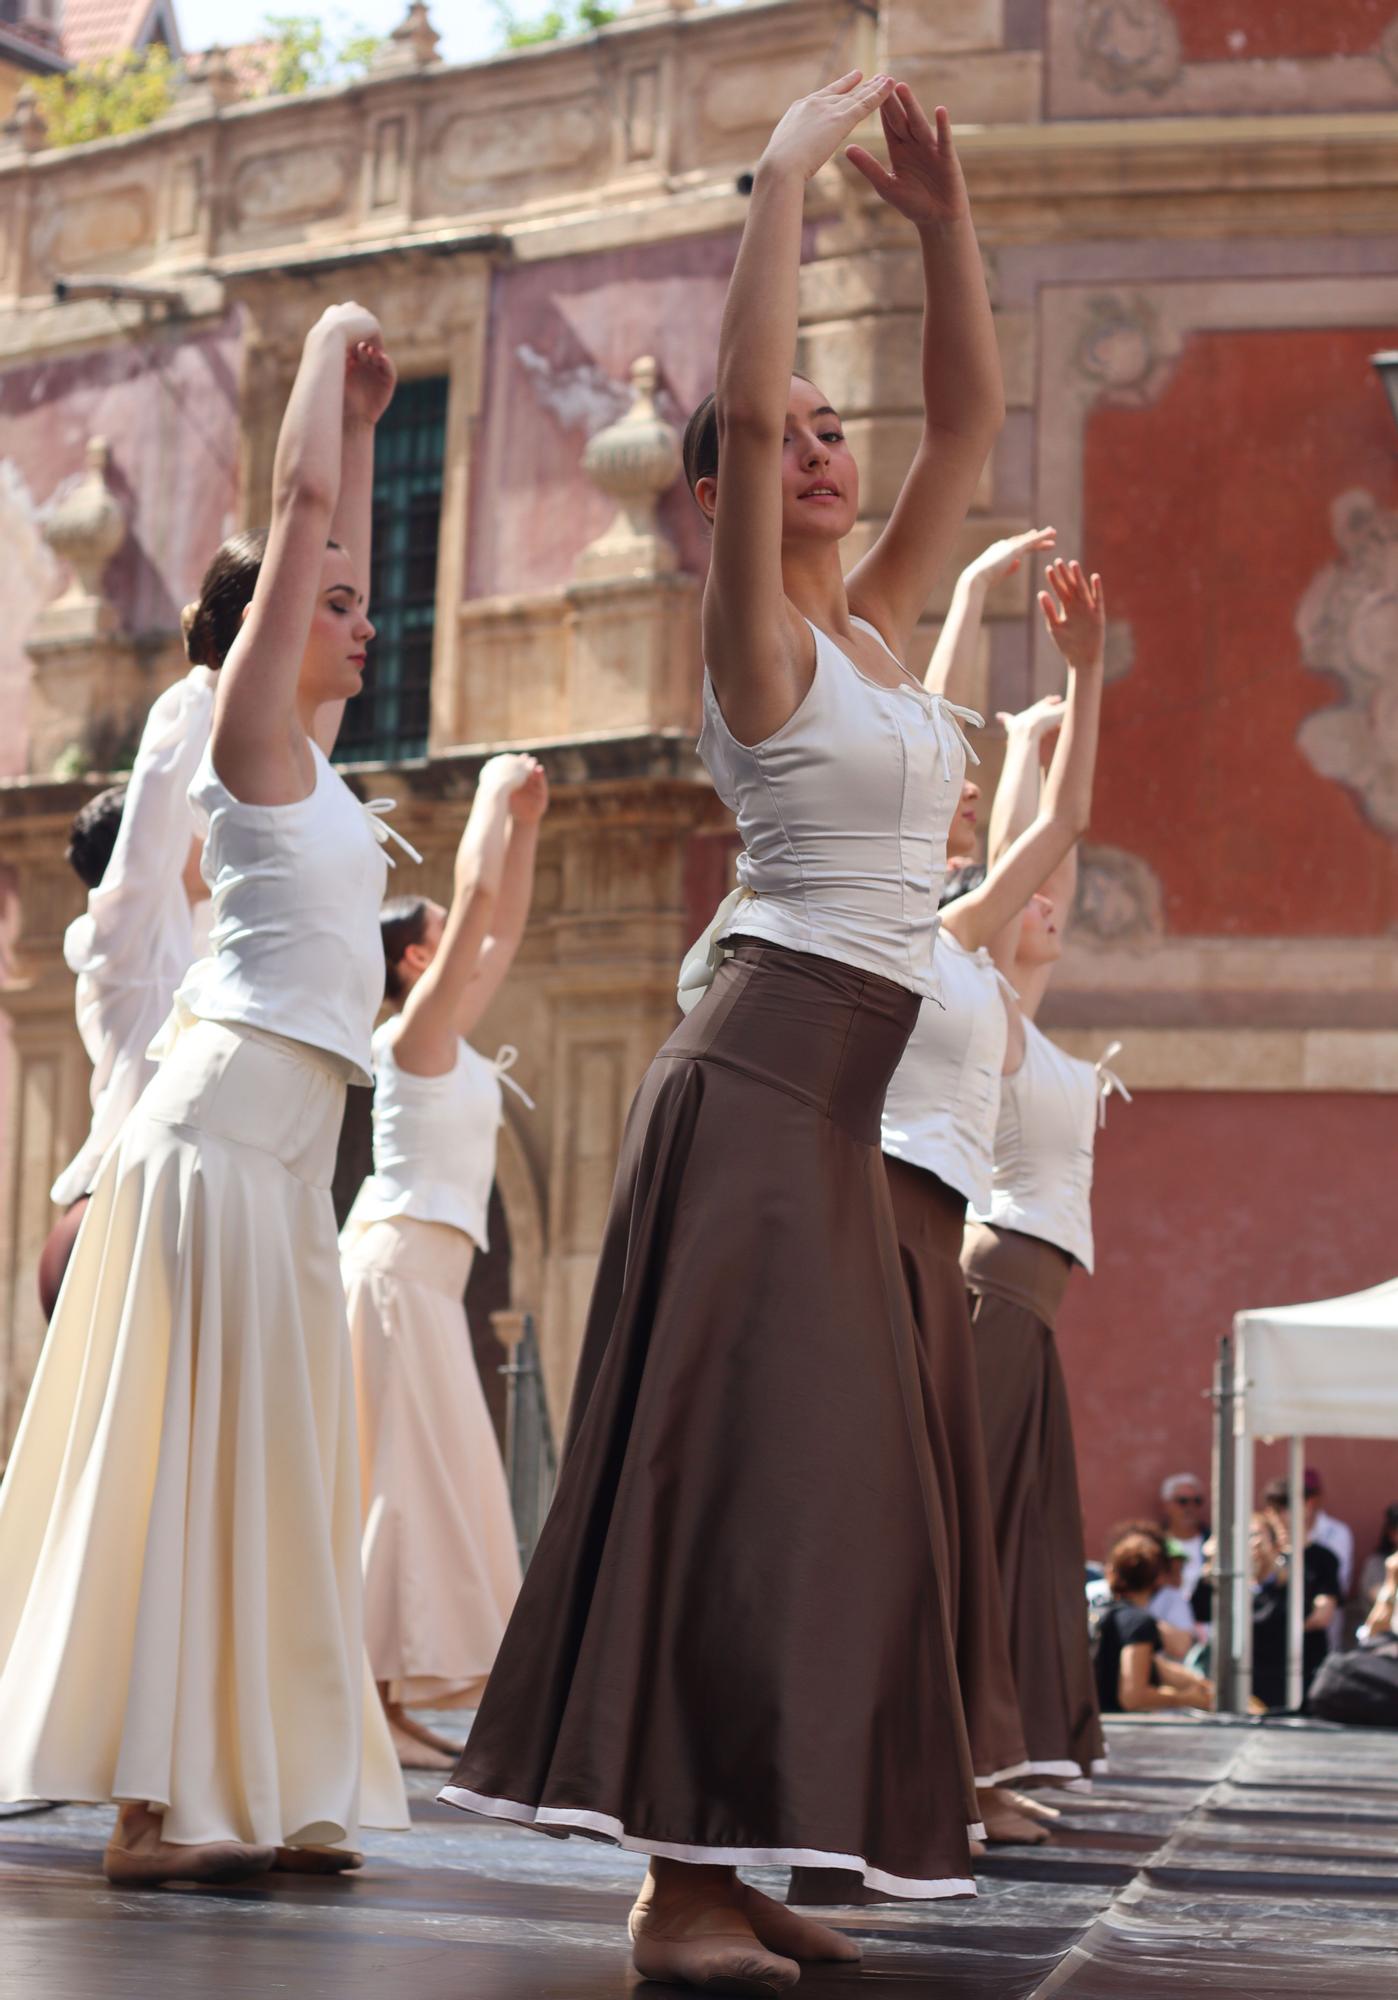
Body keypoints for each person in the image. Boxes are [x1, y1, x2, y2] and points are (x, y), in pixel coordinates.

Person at [441, 70, 1005, 1996]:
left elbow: (978, 420)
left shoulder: (877, 633)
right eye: (791, 446)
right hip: (763, 1070)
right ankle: (676, 1890)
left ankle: (726, 1853)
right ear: (715, 499)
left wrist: (934, 218)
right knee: (737, 1464)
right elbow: (750, 405)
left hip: (830, 1109)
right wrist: (777, 176)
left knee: (816, 1477)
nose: (824, 453)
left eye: (843, 436)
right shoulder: (752, 644)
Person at [0, 303, 411, 1884]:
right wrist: (324, 359)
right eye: (339, 610)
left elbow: (329, 534)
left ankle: (270, 1785)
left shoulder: (314, 759)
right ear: (268, 630)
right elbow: (296, 518)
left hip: (285, 1152)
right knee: (193, 1461)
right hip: (218, 1135)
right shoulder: (243, 737)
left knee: (283, 1472)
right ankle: (149, 1814)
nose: (365, 629)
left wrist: (371, 435)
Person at [879, 553, 1104, 1843]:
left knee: (958, 1525)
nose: (965, 802)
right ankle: (933, 1772)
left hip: (943, 1241)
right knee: (920, 1521)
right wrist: (963, 599)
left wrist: (1075, 681)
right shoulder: (891, 926)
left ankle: (959, 1767)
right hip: (914, 1240)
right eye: (951, 794)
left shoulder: (963, 947)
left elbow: (1052, 829)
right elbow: (917, 715)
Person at [341, 753, 548, 1771]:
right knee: (402, 1481)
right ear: (417, 962)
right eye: (441, 945)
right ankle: (366, 1702)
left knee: (416, 1480)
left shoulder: (451, 1037)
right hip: (395, 1272)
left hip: (423, 1278)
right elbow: (474, 901)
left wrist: (531, 824)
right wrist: (491, 796)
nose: (462, 951)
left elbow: (499, 925)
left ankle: (384, 1696)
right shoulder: (410, 1034)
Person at [957, 565, 1123, 1788]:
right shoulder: (997, 1011)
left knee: (1014, 1540)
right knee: (978, 1535)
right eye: (1032, 902)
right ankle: (967, 1765)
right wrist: (1024, 742)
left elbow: (1034, 867)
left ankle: (996, 1760)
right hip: (996, 1283)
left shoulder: (1049, 1032)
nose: (1049, 906)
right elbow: (1026, 854)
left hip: (1028, 1300)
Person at [38, 657, 215, 1320]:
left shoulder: (188, 931)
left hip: (160, 1190)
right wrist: (208, 687)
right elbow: (161, 797)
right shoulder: (130, 933)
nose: (201, 838)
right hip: (121, 1200)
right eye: (187, 831)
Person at [1094, 1536, 1213, 1715]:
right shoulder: (1138, 1622)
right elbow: (1133, 1696)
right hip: (1117, 1732)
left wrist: (1202, 1686)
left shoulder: (1100, 1612)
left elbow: (1155, 1667)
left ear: (1111, 1572)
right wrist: (1184, 1699)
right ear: (1157, 1578)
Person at [1259, 1476, 1343, 1699]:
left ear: (1307, 1506)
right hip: (1261, 1668)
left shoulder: (1324, 1559)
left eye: (1288, 1506)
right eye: (1276, 1509)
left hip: (1306, 1664)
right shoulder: (1262, 1555)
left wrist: (1271, 1625)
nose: (1283, 1516)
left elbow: (1322, 1616)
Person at [1302, 1467, 1353, 1641]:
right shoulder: (1278, 1533)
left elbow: (1338, 1580)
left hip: (1326, 1623)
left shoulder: (1338, 1532)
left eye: (1308, 1494)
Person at [1160, 1472, 1209, 1597]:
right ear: (1166, 1505)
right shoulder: (1158, 1543)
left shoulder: (1212, 1541)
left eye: (1197, 1501)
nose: (1190, 1507)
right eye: (1183, 1501)